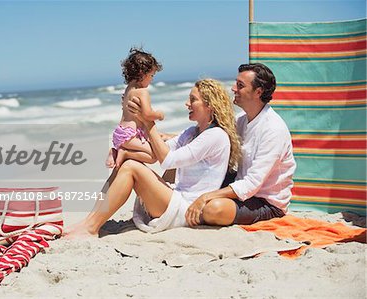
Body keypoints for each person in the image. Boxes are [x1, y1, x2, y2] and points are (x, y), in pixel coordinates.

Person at [66, 79, 241, 237]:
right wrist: (122, 145)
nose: (187, 103)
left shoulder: (216, 136)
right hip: (177, 198)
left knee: (131, 168)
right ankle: (89, 222)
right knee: (126, 163)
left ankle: (90, 228)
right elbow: (157, 151)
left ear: (210, 105)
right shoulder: (192, 132)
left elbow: (167, 160)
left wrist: (148, 123)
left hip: (187, 210)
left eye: (193, 99)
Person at [186, 63, 296, 227]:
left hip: (266, 204)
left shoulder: (273, 129)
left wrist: (207, 196)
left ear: (258, 92)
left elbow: (252, 184)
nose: (233, 88)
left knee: (213, 210)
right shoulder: (243, 120)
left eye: (240, 85)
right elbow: (210, 137)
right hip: (241, 187)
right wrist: (168, 137)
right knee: (186, 163)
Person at [106, 47, 165, 169]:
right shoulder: (142, 92)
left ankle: (119, 150)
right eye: (151, 75)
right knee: (154, 156)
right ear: (142, 74)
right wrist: (159, 115)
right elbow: (147, 114)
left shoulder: (128, 89)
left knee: (154, 147)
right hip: (129, 136)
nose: (152, 79)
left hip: (121, 133)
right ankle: (124, 152)